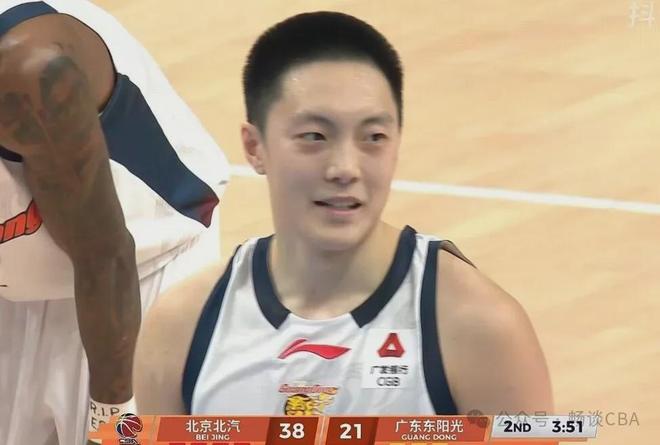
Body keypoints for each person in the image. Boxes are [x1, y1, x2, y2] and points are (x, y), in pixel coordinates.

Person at [135, 11, 552, 416]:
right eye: (315, 136)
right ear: (254, 147)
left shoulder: (477, 328)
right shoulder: (181, 330)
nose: (345, 169)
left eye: (374, 137)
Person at [0, 1, 229, 444]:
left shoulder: (27, 70)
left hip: (142, 274)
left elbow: (103, 256)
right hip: (17, 291)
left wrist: (114, 423)